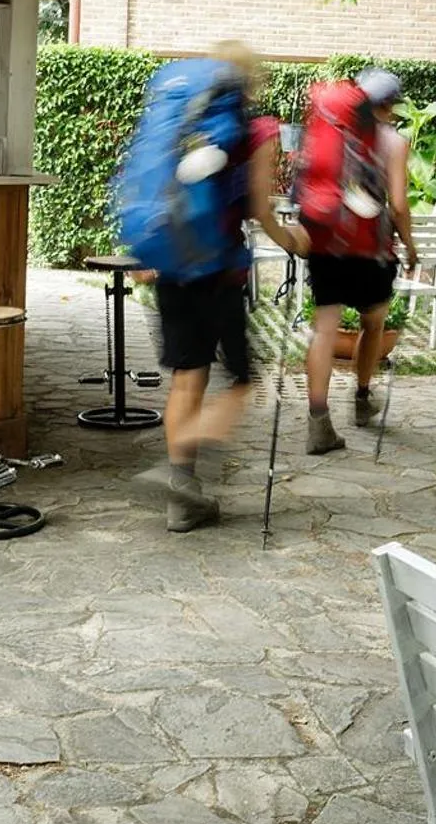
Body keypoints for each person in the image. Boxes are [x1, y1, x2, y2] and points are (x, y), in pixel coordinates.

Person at [125, 42, 307, 532]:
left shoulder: (185, 119)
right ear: (252, 81)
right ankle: (178, 482)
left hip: (174, 264)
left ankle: (181, 492)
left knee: (188, 377)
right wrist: (293, 241)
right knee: (243, 381)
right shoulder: (256, 129)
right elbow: (258, 207)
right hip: (219, 270)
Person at [298, 67, 416, 454]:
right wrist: (410, 246)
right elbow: (398, 205)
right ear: (391, 104)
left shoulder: (331, 126)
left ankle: (318, 423)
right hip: (370, 248)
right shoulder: (394, 142)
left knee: (325, 329)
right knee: (374, 321)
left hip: (326, 239)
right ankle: (362, 399)